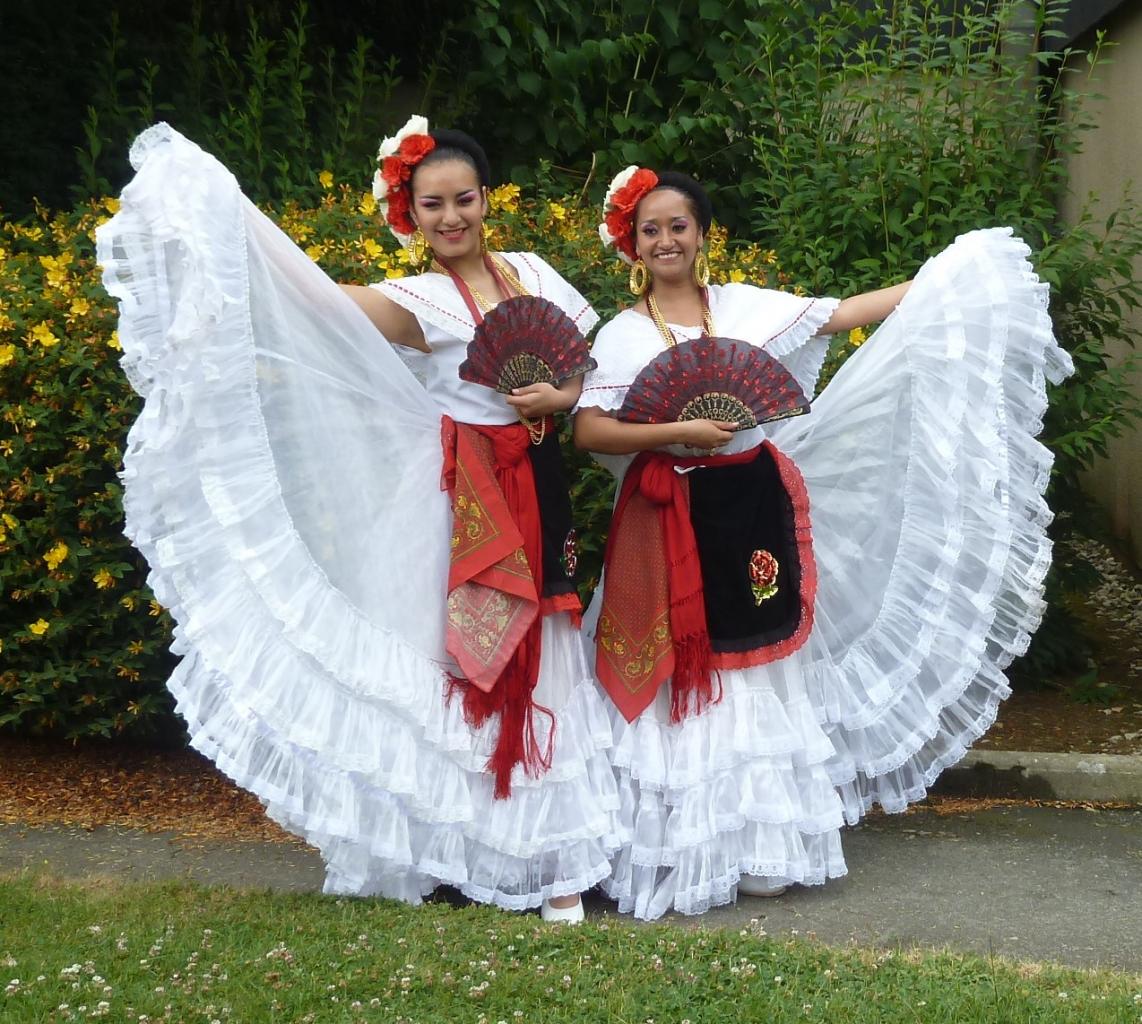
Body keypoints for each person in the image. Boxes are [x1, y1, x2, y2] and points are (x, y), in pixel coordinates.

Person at [96, 117, 623, 922]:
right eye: (433, 205)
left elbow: (588, 375)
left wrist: (560, 396)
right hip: (462, 496)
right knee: (455, 659)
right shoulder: (417, 300)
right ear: (409, 213)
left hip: (541, 481)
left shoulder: (539, 277)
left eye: (465, 200)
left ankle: (557, 860)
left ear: (487, 200)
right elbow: (317, 303)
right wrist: (233, 237)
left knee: (545, 643)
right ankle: (468, 850)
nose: (452, 218)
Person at [573, 166, 1073, 920]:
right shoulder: (624, 335)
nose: (666, 239)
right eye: (651, 229)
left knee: (754, 663)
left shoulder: (744, 307)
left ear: (703, 233)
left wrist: (939, 284)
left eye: (678, 224)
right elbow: (589, 430)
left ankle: (759, 845)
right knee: (677, 661)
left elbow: (840, 315)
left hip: (751, 506)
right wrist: (676, 430)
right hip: (665, 512)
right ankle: (674, 839)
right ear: (632, 245)